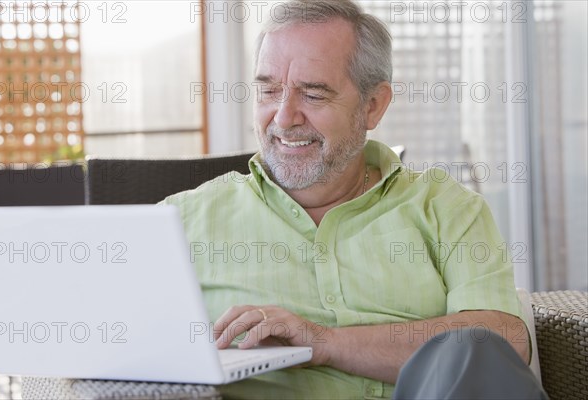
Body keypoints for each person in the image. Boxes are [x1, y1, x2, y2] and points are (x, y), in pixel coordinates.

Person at [162, 1, 548, 398]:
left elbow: (502, 341)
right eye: (269, 90)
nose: (283, 117)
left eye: (312, 94)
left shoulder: (445, 207)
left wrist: (323, 342)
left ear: (373, 106)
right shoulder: (179, 221)